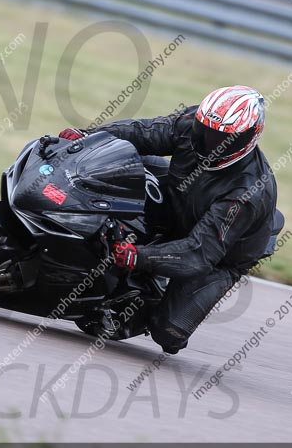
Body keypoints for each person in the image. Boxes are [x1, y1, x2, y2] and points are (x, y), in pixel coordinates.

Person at [59, 85, 280, 354]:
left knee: (169, 333)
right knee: (119, 161)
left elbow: (199, 252)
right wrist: (88, 138)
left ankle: (149, 295)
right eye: (206, 131)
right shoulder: (191, 123)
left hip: (217, 255)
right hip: (180, 197)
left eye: (223, 138)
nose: (210, 141)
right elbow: (144, 132)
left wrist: (135, 257)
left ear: (249, 138)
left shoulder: (248, 193)